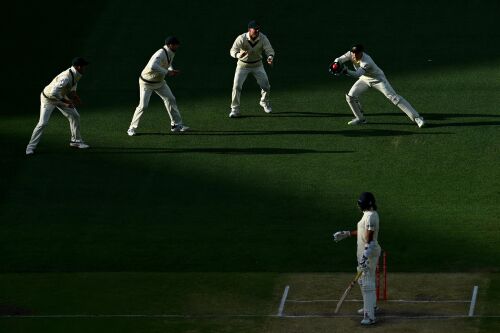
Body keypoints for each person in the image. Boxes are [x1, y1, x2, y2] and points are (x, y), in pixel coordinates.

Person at [332, 44, 425, 128]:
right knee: (350, 97)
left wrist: (345, 71)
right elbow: (339, 59)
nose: (355, 56)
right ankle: (360, 119)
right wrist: (336, 63)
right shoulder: (350, 54)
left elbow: (357, 74)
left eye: (357, 54)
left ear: (362, 53)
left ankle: (417, 118)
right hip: (364, 79)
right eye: (353, 54)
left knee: (394, 98)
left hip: (378, 80)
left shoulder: (366, 61)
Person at [333, 192, 381, 325]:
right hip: (364, 254)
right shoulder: (368, 215)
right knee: (362, 280)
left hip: (369, 254)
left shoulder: (371, 217)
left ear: (364, 204)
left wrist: (365, 257)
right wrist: (347, 233)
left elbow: (370, 240)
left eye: (359, 204)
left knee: (367, 282)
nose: (358, 206)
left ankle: (370, 316)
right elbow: (362, 232)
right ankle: (372, 306)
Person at [26, 57, 90, 155]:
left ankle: (76, 142)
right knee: (42, 123)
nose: (85, 68)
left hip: (60, 96)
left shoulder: (77, 73)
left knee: (75, 116)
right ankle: (30, 147)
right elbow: (53, 93)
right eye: (84, 66)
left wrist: (75, 96)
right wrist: (66, 102)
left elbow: (73, 85)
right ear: (78, 67)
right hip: (48, 98)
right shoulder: (65, 77)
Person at [127, 36, 189, 136]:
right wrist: (168, 73)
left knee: (171, 99)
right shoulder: (160, 53)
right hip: (146, 83)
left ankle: (176, 125)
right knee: (143, 106)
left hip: (159, 82)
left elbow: (167, 64)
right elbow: (153, 66)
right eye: (176, 45)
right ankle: (131, 128)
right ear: (170, 45)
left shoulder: (171, 52)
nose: (178, 47)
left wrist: (171, 70)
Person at [229, 20, 275, 117]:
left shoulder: (263, 38)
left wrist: (270, 57)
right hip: (242, 66)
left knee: (266, 86)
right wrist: (238, 54)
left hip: (257, 65)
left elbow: (269, 49)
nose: (257, 31)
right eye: (255, 29)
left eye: (258, 29)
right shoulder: (241, 38)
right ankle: (235, 109)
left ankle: (264, 102)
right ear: (249, 30)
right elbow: (232, 51)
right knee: (236, 86)